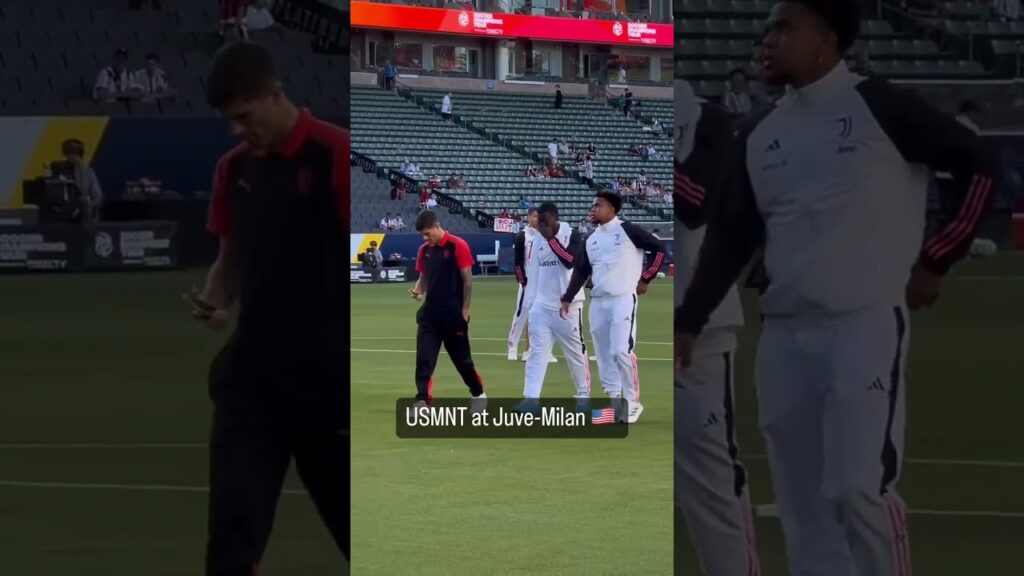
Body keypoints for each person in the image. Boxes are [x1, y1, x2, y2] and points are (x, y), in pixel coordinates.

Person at [675, 2, 997, 575]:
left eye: (784, 27)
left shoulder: (880, 105)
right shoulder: (761, 131)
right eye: (768, 27)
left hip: (862, 325)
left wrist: (938, 258)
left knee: (857, 489)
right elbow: (730, 237)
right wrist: (691, 319)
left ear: (827, 40)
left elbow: (980, 164)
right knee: (804, 512)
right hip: (784, 339)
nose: (767, 39)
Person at [185, 41, 348, 575]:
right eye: (229, 120)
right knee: (231, 538)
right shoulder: (232, 171)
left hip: (328, 389)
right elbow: (230, 258)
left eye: (244, 116)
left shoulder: (334, 155)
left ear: (275, 94)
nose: (238, 130)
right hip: (253, 385)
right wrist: (215, 299)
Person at [673, 79, 761, 576]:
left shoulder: (711, 120)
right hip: (637, 327)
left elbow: (697, 202)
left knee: (711, 479)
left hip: (700, 326)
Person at [560, 190, 666, 424]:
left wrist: (646, 278)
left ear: (612, 209)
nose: (593, 209)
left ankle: (633, 402)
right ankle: (614, 405)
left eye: (598, 205)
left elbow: (659, 250)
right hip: (598, 303)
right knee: (605, 356)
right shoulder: (591, 239)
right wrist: (567, 297)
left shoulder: (627, 230)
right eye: (593, 205)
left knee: (621, 351)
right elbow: (580, 271)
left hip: (622, 299)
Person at [409, 210, 486, 405]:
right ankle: (423, 400)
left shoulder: (457, 246)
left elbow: (467, 281)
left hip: (453, 316)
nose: (425, 238)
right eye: (423, 235)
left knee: (463, 362)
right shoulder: (424, 251)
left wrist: (465, 311)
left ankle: (478, 394)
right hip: (430, 316)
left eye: (427, 233)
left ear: (437, 226)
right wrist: (418, 291)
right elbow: (423, 277)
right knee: (424, 360)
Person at [520, 202, 590, 407]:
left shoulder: (574, 235)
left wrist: (552, 240)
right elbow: (535, 272)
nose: (540, 225)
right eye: (538, 221)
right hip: (542, 306)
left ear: (554, 218)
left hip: (568, 306)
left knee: (575, 353)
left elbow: (569, 261)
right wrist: (532, 303)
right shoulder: (538, 239)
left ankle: (583, 395)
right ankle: (531, 399)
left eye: (544, 221)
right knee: (536, 354)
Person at [509, 208, 555, 363]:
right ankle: (512, 346)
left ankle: (539, 349)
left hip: (542, 283)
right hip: (527, 282)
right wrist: (522, 280)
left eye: (539, 216)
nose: (537, 219)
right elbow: (518, 262)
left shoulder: (545, 236)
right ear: (528, 217)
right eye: (535, 216)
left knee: (540, 316)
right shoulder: (522, 236)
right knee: (521, 314)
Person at [60, 138, 103, 224]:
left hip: (85, 216)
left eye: (75, 153)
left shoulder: (88, 173)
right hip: (63, 215)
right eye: (69, 153)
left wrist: (87, 207)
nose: (72, 157)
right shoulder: (59, 173)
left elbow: (97, 196)